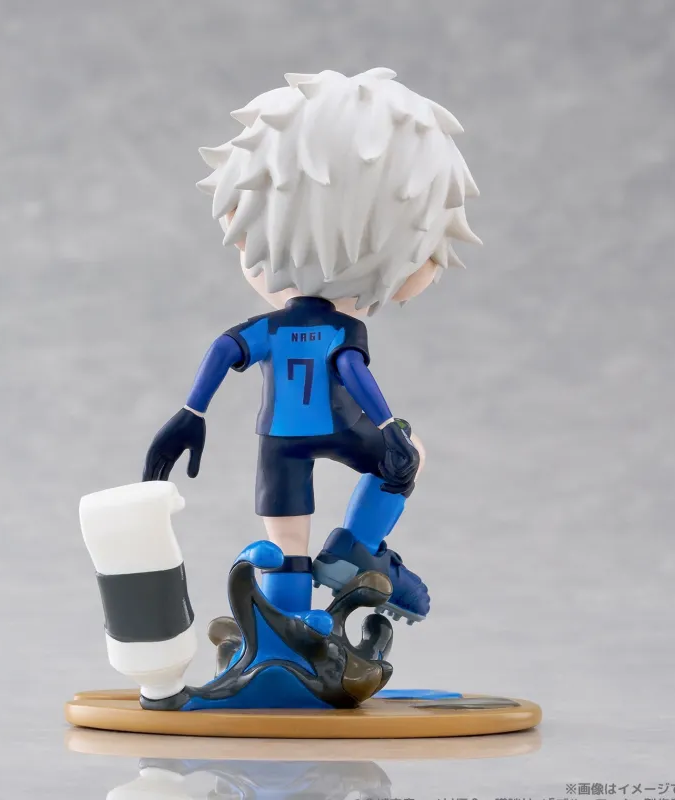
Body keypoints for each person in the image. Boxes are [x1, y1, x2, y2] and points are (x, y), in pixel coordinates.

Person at [143, 68, 480, 623]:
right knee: (408, 455)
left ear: (242, 224)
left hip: (278, 444)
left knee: (285, 541)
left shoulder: (269, 329)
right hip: (344, 427)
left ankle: (286, 625)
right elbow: (351, 371)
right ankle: (357, 549)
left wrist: (191, 412)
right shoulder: (341, 331)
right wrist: (389, 427)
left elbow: (225, 350)